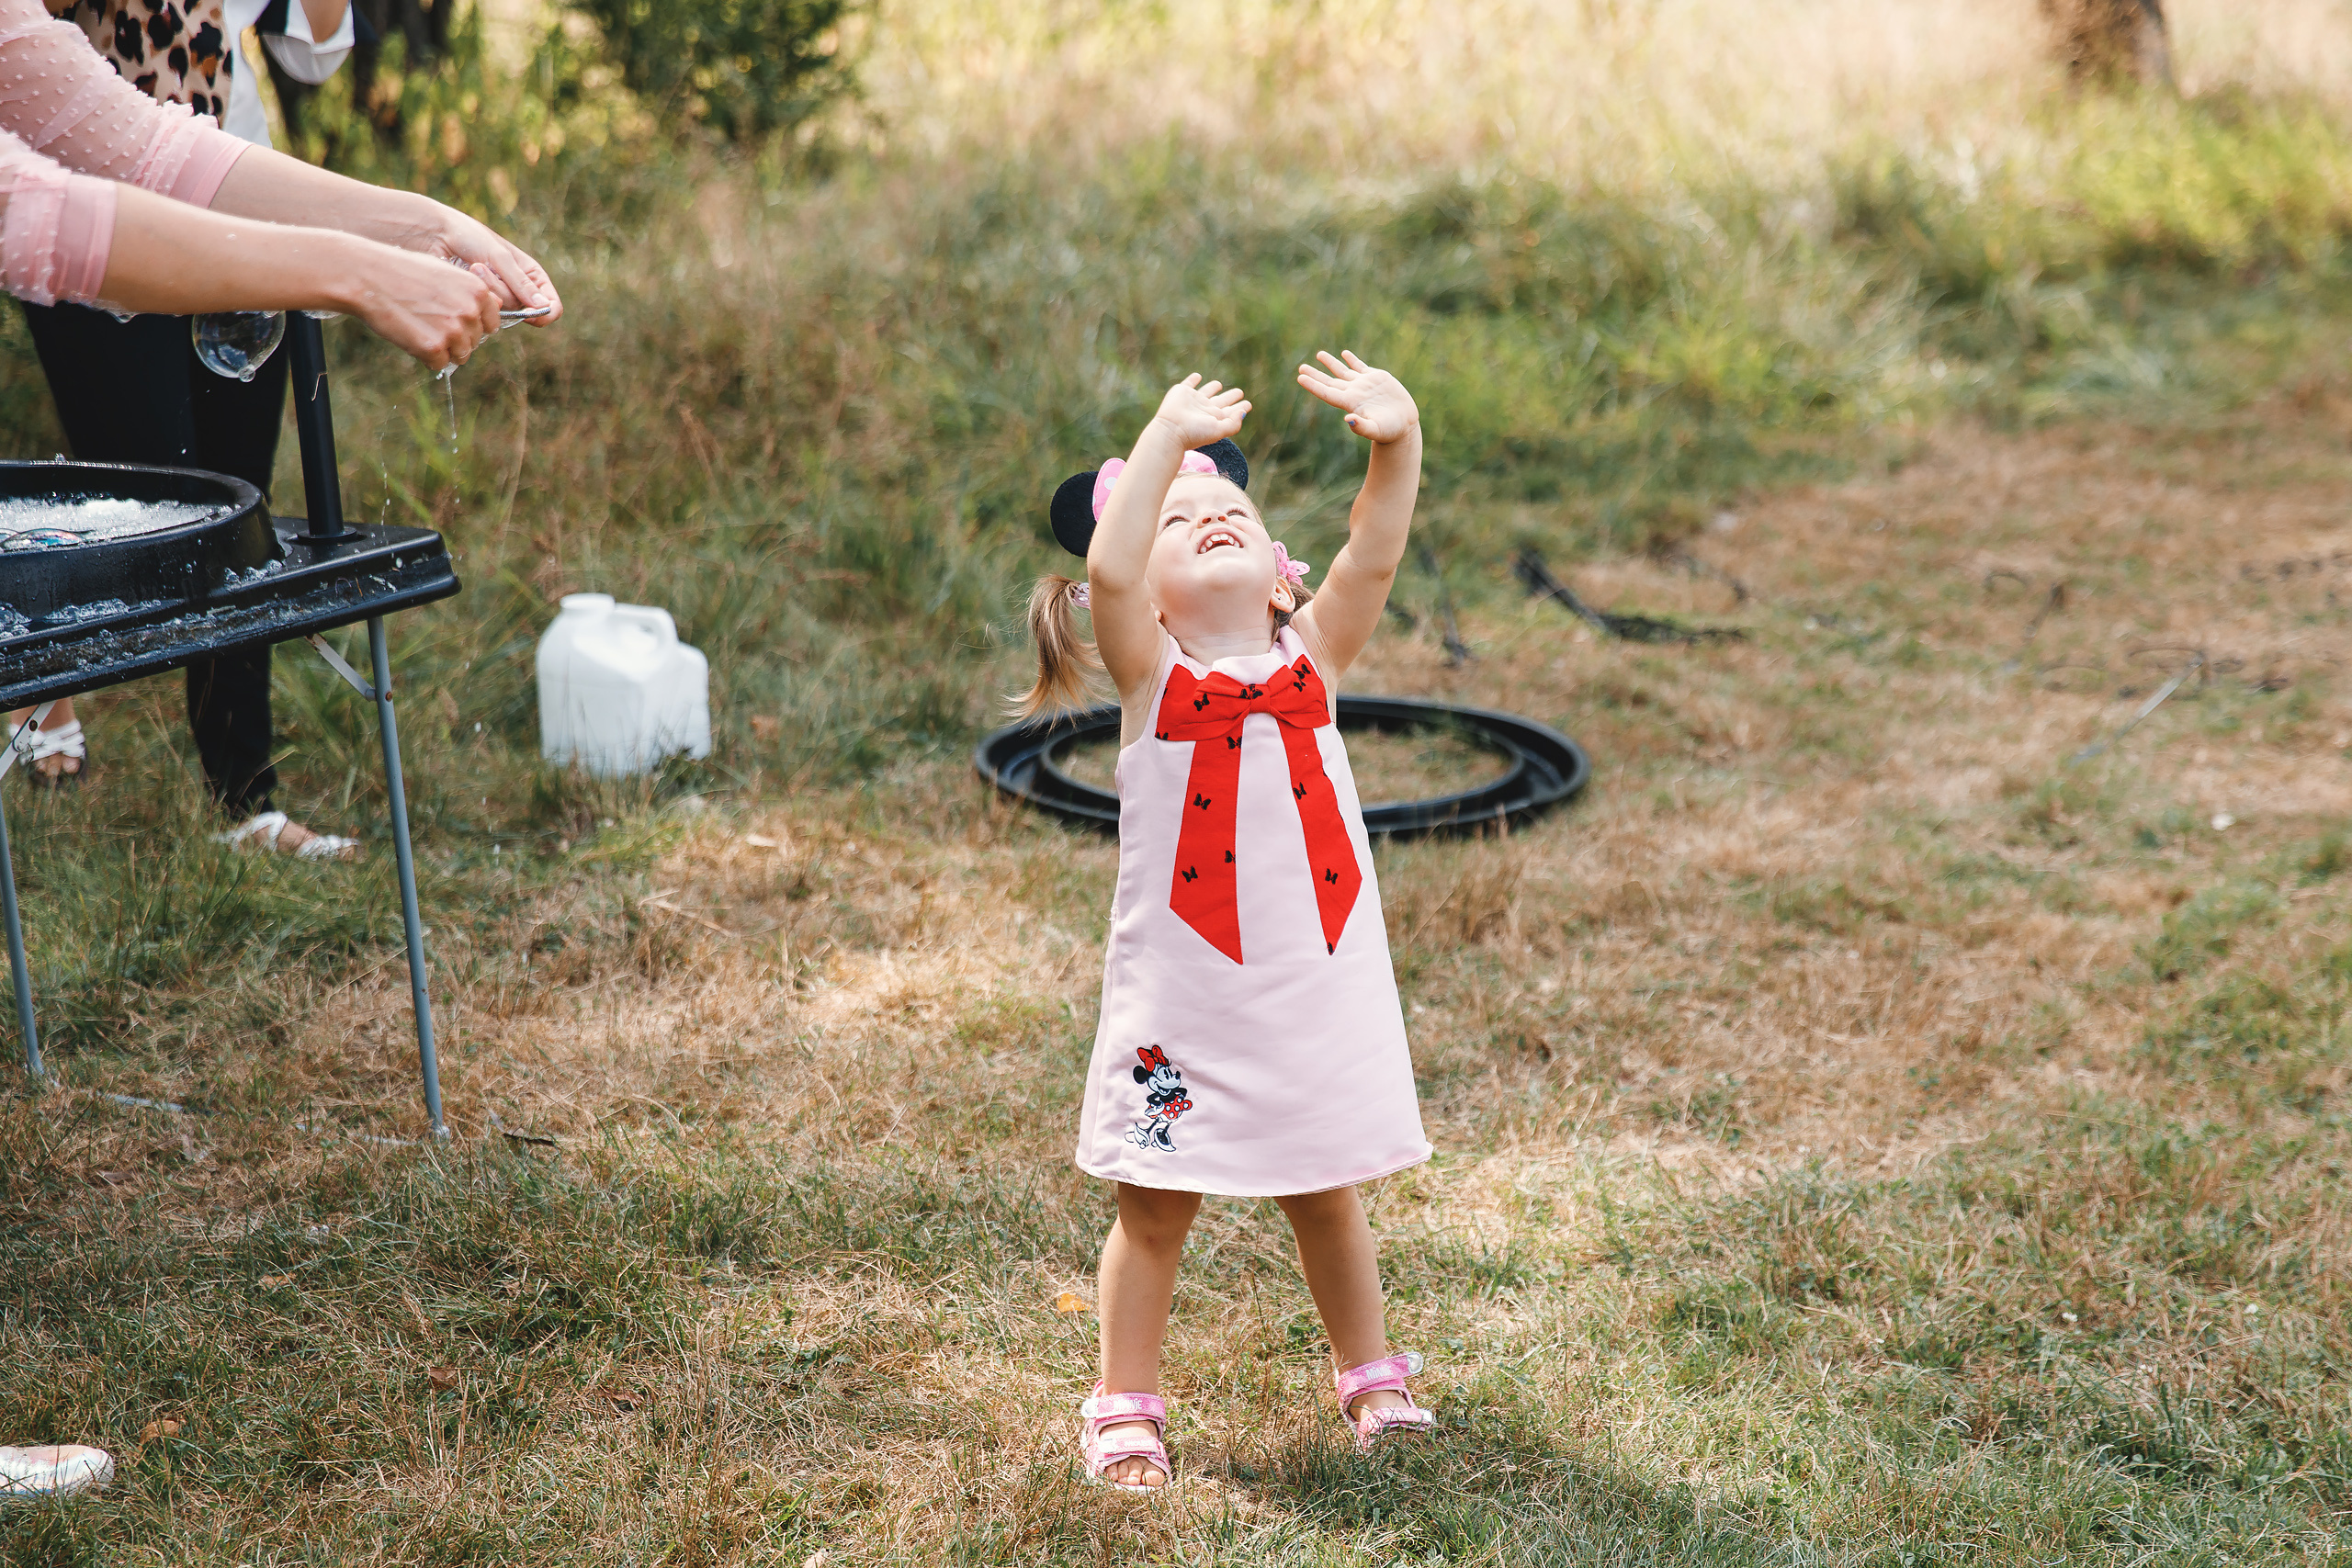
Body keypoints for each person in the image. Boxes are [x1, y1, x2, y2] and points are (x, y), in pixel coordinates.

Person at [1022, 354, 1437, 1491]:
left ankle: (1372, 1376)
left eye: (1233, 510)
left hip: (1313, 984)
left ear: (1277, 579)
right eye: (1179, 516)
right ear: (1148, 596)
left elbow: (1377, 548)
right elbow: (1106, 568)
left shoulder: (1317, 657)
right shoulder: (1152, 677)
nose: (1209, 517)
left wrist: (1395, 443)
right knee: (1155, 1207)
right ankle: (1124, 1404)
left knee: (1327, 1187)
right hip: (1188, 996)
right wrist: (1164, 436)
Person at [8, 0, 477, 857]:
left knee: (237, 514)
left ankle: (244, 800)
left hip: (234, 201)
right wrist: (353, 267)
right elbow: (42, 198)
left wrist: (419, 224)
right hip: (93, 229)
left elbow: (187, 129)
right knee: (147, 498)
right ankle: (34, 676)